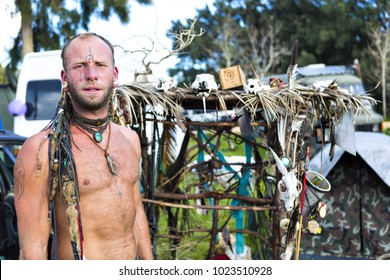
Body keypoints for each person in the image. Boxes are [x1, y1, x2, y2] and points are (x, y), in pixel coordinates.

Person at [14, 32, 154, 260]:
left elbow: (136, 212)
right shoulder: (41, 150)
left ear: (114, 75)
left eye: (100, 65)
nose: (91, 75)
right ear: (65, 78)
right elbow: (32, 249)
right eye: (79, 66)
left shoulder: (130, 140)